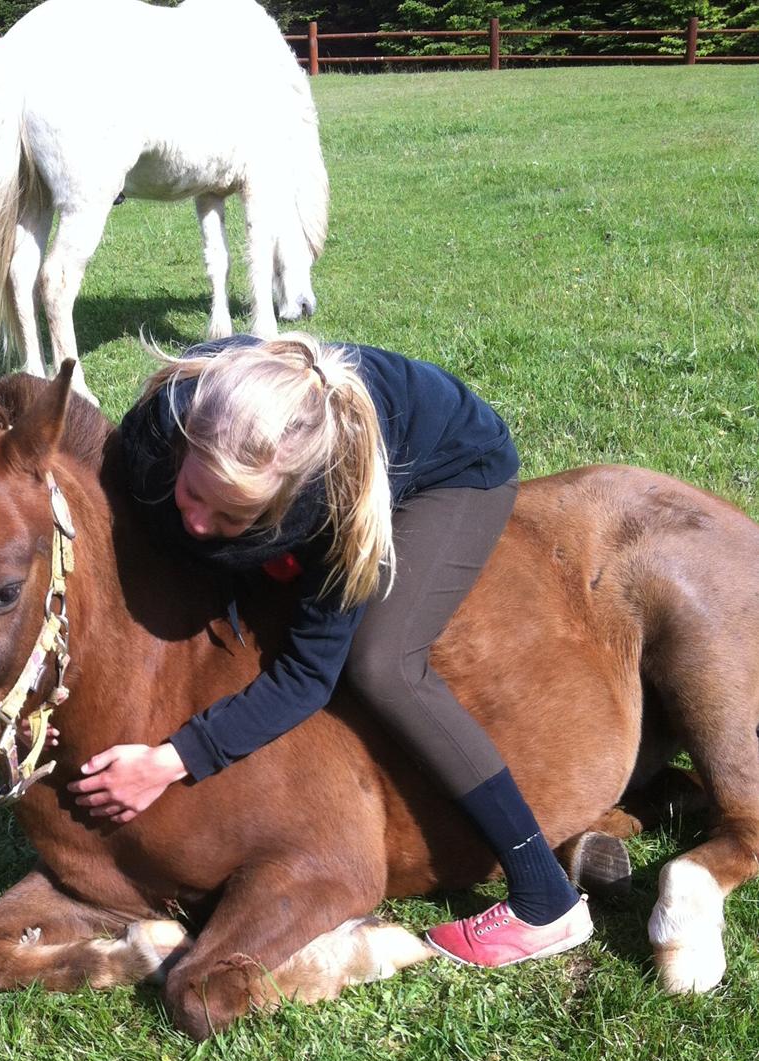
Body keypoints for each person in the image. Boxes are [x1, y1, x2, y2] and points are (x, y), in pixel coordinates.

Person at [67, 334, 592, 968]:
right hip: (264, 470)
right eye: (194, 493)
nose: (200, 522)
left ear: (287, 505)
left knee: (382, 662)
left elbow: (307, 678)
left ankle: (545, 893)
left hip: (454, 465)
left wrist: (172, 761)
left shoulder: (336, 505)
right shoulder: (166, 422)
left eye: (232, 516)